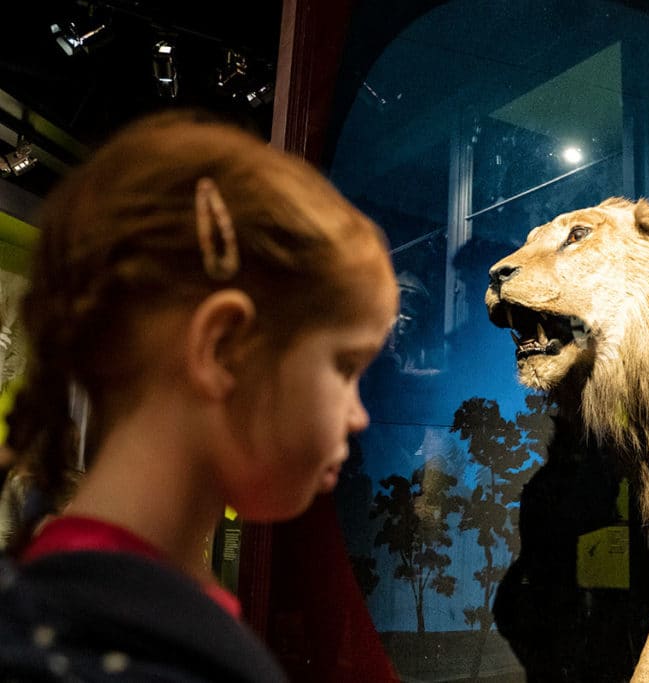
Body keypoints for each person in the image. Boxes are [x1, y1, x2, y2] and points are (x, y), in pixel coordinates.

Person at [0, 111, 399, 681]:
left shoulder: (58, 615)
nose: (359, 416)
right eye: (345, 366)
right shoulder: (135, 657)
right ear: (222, 347)